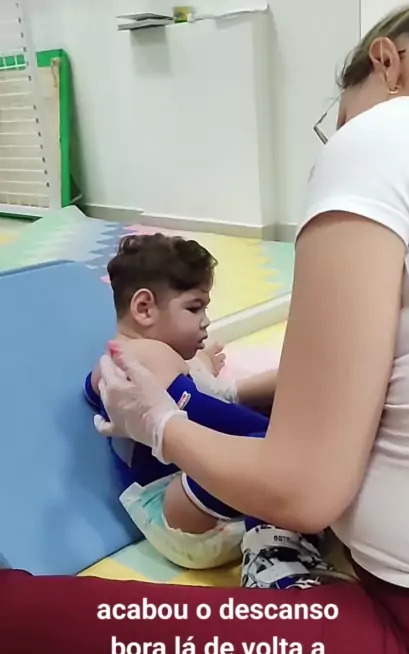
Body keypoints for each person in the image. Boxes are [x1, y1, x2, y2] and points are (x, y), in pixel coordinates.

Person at [2, 2, 409, 654]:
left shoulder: (393, 135)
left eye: (337, 120)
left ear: (388, 64)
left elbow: (300, 486)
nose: (339, 137)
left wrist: (166, 426)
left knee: (30, 635)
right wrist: (204, 407)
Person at [85, 233, 287, 570]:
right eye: (194, 307)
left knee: (265, 439)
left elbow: (94, 391)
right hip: (177, 510)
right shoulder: (145, 354)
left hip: (199, 510)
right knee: (265, 449)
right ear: (144, 308)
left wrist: (201, 365)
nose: (206, 320)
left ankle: (274, 524)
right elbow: (203, 414)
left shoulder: (128, 360)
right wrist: (284, 440)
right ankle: (273, 548)